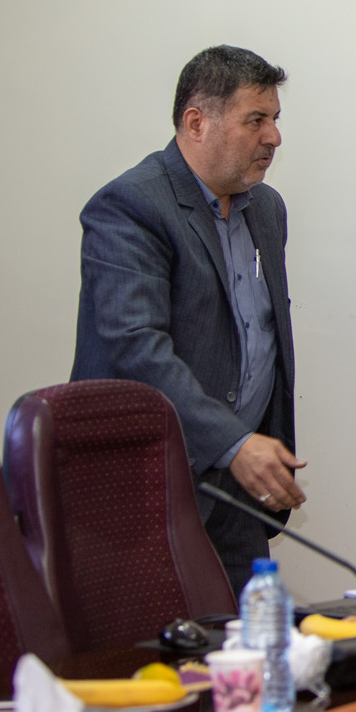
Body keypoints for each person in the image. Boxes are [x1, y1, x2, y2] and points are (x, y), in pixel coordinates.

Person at [71, 46, 301, 592]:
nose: (274, 137)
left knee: (247, 636)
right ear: (197, 122)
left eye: (275, 119)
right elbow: (137, 346)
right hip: (144, 488)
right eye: (256, 120)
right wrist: (233, 442)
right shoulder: (130, 206)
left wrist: (249, 444)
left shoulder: (266, 209)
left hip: (236, 493)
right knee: (160, 642)